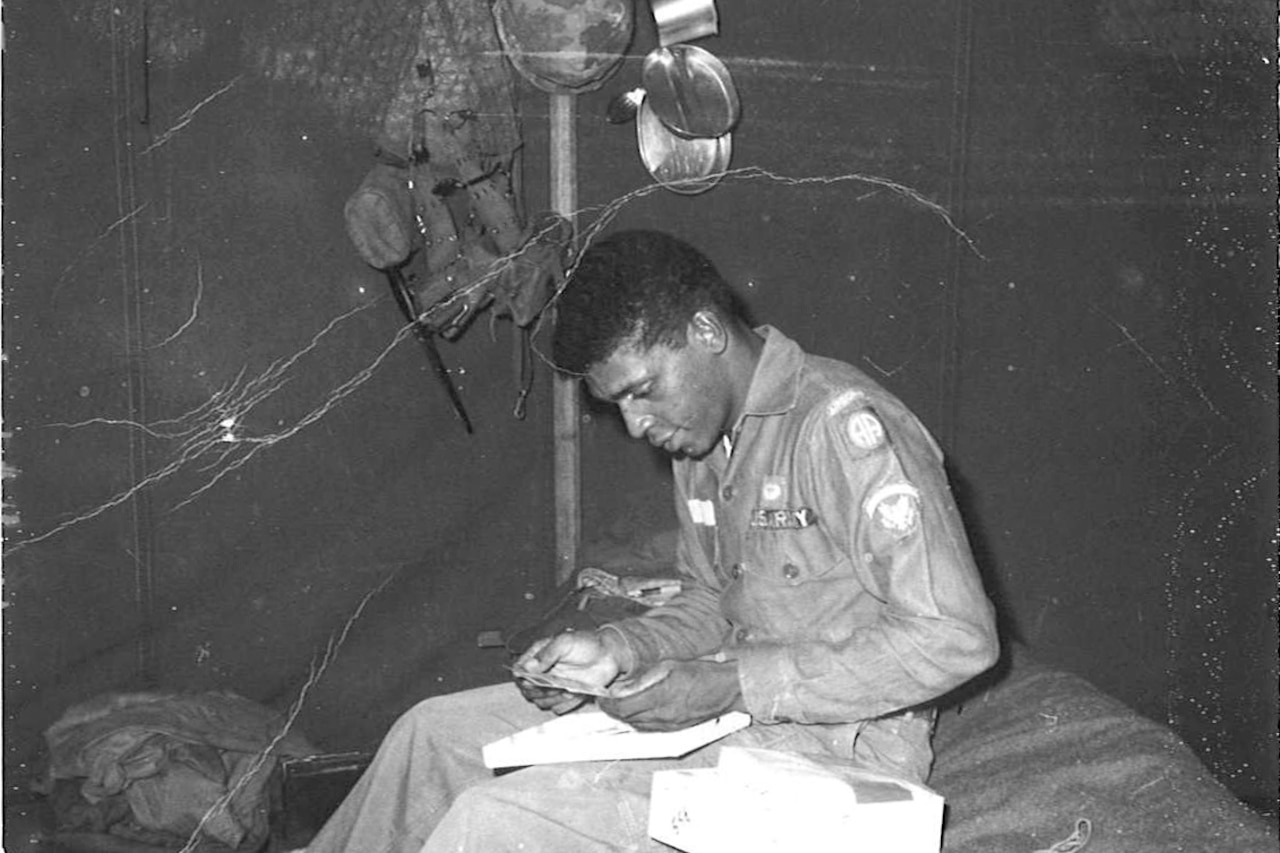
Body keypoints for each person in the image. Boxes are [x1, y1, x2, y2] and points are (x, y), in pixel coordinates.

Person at [303, 229, 999, 852]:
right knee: (431, 735)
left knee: (497, 819)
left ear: (705, 330)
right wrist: (617, 650)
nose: (635, 427)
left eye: (642, 391)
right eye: (618, 406)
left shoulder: (840, 427)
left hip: (836, 743)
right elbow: (709, 601)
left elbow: (956, 636)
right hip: (726, 710)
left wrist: (733, 684)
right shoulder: (703, 445)